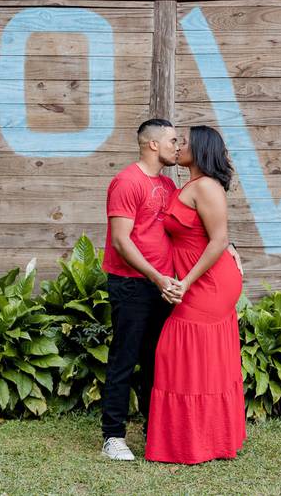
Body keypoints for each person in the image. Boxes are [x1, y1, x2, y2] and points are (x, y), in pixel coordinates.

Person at [144, 125, 247, 465]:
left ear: (200, 149)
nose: (178, 146)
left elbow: (218, 239)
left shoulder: (205, 186)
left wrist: (185, 282)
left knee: (180, 349)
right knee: (193, 356)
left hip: (208, 282)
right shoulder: (188, 184)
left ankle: (200, 440)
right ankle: (201, 439)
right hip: (196, 278)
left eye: (184, 141)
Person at [100, 118, 181, 461]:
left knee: (156, 362)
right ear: (152, 144)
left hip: (160, 286)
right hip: (132, 285)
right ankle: (113, 437)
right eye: (173, 141)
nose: (178, 147)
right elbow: (121, 241)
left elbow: (188, 226)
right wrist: (156, 276)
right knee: (125, 359)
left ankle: (154, 430)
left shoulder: (167, 184)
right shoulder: (126, 181)